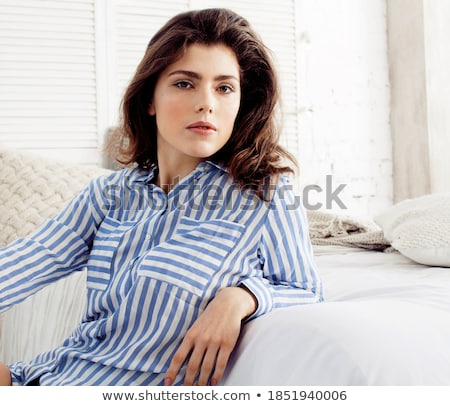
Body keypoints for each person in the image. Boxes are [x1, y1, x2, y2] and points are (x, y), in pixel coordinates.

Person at [0, 8, 322, 386]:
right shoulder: (109, 193)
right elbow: (30, 259)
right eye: (185, 83)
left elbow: (304, 288)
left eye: (224, 87)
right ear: (150, 98)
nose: (207, 103)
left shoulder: (263, 195)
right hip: (43, 376)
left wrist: (241, 298)